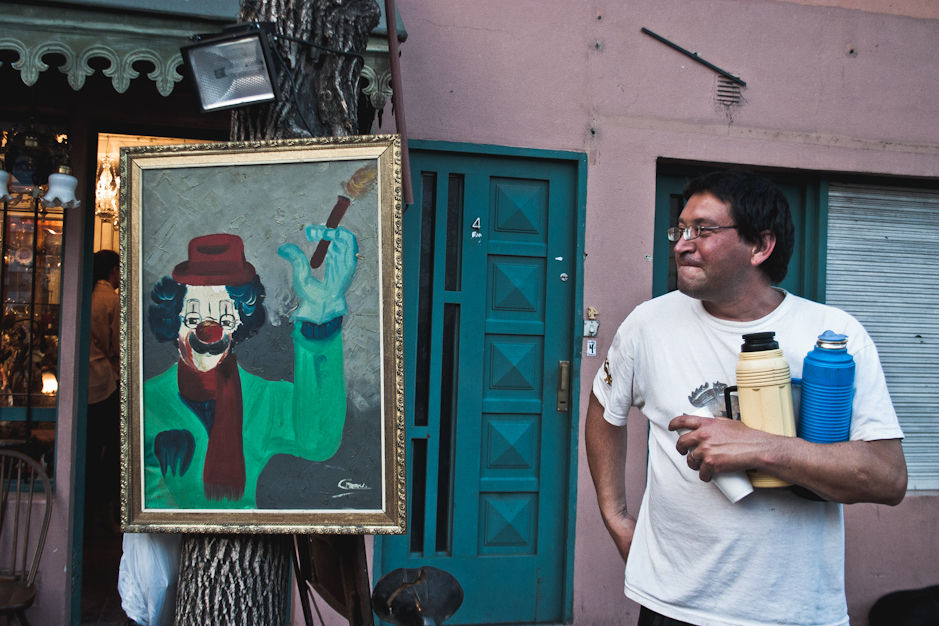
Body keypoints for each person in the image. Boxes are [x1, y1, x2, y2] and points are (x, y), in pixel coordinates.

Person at [585, 170, 907, 626]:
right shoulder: (648, 324)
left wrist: (762, 447)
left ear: (760, 246)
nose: (682, 244)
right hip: (672, 602)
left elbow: (888, 479)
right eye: (681, 229)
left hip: (792, 611)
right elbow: (604, 408)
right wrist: (617, 517)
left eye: (704, 230)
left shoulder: (834, 337)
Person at [143, 226, 357, 508]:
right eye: (193, 318)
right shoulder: (146, 400)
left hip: (251, 535)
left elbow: (318, 441)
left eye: (225, 320)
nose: (210, 333)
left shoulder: (265, 400)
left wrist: (322, 321)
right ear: (174, 320)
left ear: (238, 325)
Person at [87, 249, 121, 530]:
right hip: (104, 382)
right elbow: (117, 345)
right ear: (113, 271)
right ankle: (104, 505)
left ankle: (88, 508)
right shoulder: (111, 299)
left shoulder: (85, 295)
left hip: (83, 383)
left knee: (88, 446)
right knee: (110, 446)